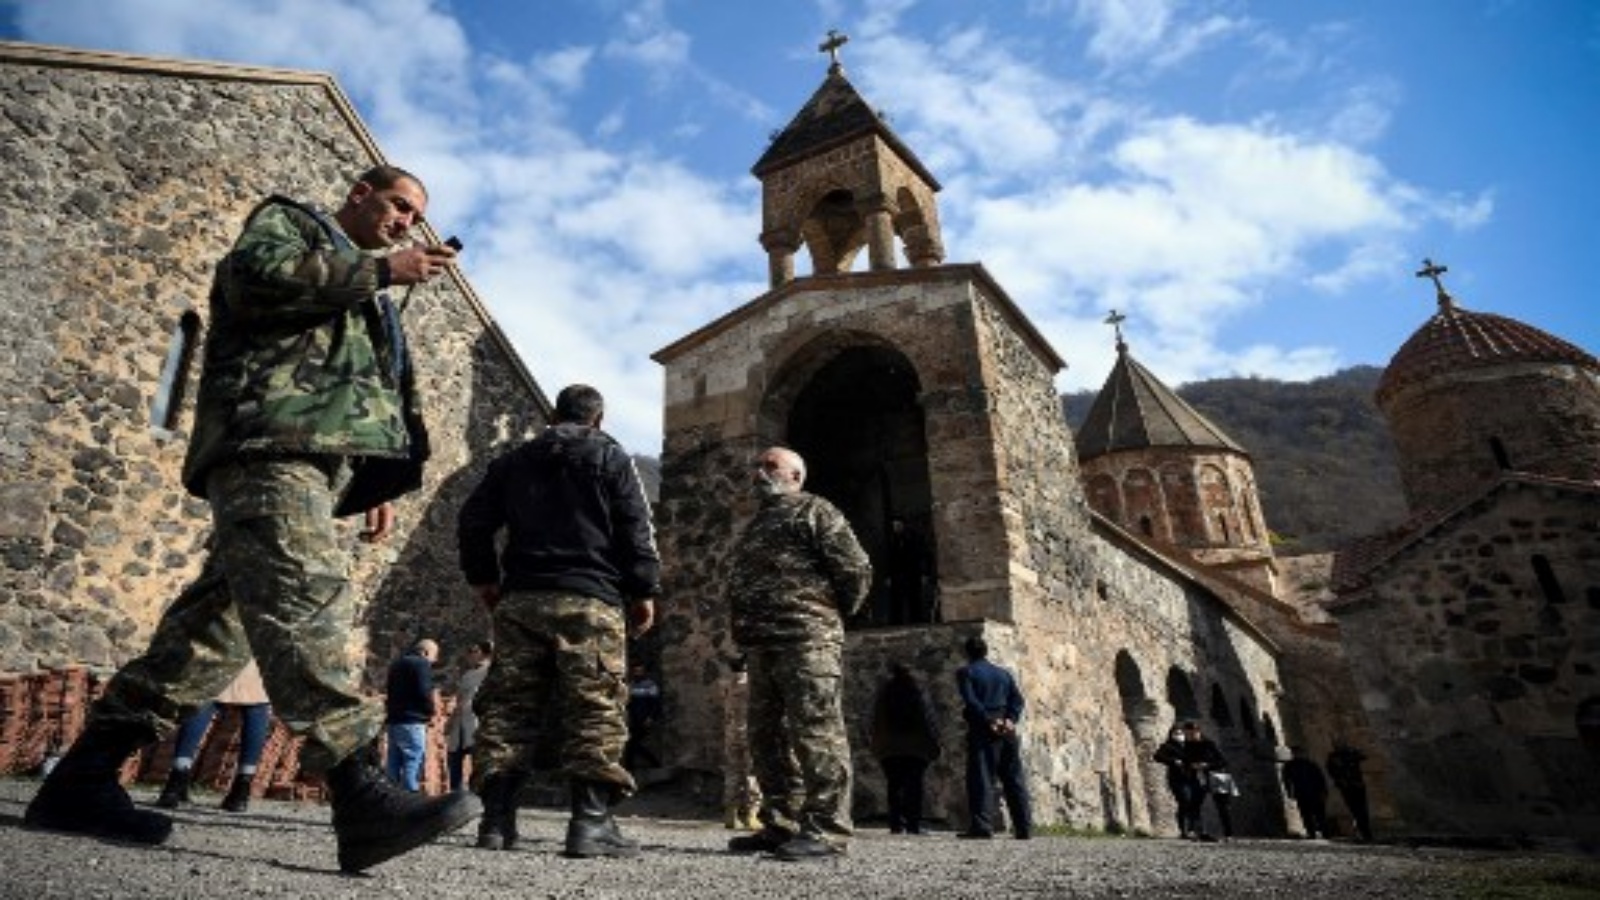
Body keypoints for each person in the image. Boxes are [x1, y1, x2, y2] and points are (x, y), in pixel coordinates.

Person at [23, 165, 478, 873]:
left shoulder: (368, 289)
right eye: (398, 206)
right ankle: (361, 796)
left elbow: (362, 389)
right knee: (307, 598)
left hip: (317, 459)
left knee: (207, 633)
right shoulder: (293, 227)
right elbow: (252, 278)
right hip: (269, 444)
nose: (404, 223)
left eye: (414, 218)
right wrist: (385, 271)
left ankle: (82, 778)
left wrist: (370, 472)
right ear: (359, 193)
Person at [457, 384, 660, 858]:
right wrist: (644, 588)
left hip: (521, 597)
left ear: (553, 415)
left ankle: (496, 822)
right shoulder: (611, 457)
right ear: (599, 419)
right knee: (595, 707)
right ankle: (589, 824)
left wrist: (484, 579)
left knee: (508, 708)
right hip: (590, 599)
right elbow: (636, 524)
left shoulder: (511, 462)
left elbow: (472, 522)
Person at [723, 446, 872, 862]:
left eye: (770, 466)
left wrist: (825, 615)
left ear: (796, 476)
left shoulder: (816, 511)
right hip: (761, 645)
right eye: (757, 465)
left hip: (806, 639)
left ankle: (827, 830)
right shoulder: (756, 525)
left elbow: (855, 569)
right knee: (765, 736)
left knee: (816, 732)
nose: (759, 472)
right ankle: (781, 823)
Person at [156, 659, 273, 812]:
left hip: (222, 648)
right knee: (257, 703)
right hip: (259, 649)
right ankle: (241, 791)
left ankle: (175, 785)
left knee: (204, 699)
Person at [956, 636, 1032, 840]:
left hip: (983, 729)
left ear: (967, 652)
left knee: (981, 778)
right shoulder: (1003, 674)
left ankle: (982, 826)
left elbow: (971, 701)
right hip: (1007, 730)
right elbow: (1017, 699)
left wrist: (990, 720)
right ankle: (1024, 827)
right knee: (1013, 778)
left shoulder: (966, 672)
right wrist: (1010, 719)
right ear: (986, 651)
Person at [869, 661, 941, 835]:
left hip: (889, 746)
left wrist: (875, 740)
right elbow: (928, 718)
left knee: (894, 786)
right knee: (914, 786)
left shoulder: (884, 693)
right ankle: (913, 823)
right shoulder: (917, 692)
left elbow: (874, 719)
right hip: (915, 746)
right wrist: (935, 739)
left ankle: (896, 823)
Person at [384, 639, 439, 792]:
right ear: (425, 652)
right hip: (412, 720)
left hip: (394, 720)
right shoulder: (421, 664)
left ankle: (389, 798)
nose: (434, 661)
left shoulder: (396, 665)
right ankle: (411, 797)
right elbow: (424, 691)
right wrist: (430, 711)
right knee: (413, 760)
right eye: (434, 656)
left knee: (393, 761)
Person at [719, 654, 764, 831]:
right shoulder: (749, 685)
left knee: (733, 772)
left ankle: (731, 813)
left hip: (731, 733)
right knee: (751, 773)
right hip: (749, 731)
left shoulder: (725, 685)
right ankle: (751, 815)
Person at [445, 641, 492, 792]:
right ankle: (456, 793)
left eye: (473, 651)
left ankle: (475, 794)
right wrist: (451, 721)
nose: (469, 655)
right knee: (454, 759)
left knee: (477, 761)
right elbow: (459, 700)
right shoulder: (468, 674)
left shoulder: (489, 673)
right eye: (469, 651)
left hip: (476, 723)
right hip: (460, 723)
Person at [1177, 720, 1227, 841]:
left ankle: (1226, 833)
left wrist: (1206, 765)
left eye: (1190, 733)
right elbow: (1183, 762)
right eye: (1186, 733)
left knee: (1220, 806)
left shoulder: (1209, 744)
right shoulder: (1185, 747)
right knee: (1194, 805)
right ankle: (1199, 832)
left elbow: (1222, 761)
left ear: (1197, 731)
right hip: (1194, 778)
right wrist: (1189, 766)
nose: (1188, 736)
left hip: (1212, 777)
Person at [1153, 725, 1198, 838]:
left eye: (1181, 733)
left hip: (1192, 778)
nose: (1179, 736)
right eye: (1176, 733)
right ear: (1171, 735)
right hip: (1177, 778)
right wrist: (1173, 761)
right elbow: (1157, 756)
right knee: (1184, 801)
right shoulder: (1167, 746)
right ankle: (1183, 830)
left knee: (1193, 803)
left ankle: (1192, 829)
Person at [1325, 740, 1373, 841]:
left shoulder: (1351, 753)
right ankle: (1363, 832)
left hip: (1357, 784)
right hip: (1346, 786)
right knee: (1355, 809)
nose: (1340, 746)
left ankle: (1366, 832)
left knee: (1362, 809)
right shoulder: (1333, 757)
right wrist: (1340, 781)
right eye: (1338, 744)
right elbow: (1331, 771)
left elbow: (1364, 757)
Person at [1281, 745, 1330, 839]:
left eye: (1298, 752)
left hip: (1314, 792)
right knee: (1306, 814)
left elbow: (1320, 778)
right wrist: (1289, 792)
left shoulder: (1310, 764)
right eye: (1295, 753)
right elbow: (1286, 780)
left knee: (1319, 814)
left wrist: (1323, 791)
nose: (1297, 754)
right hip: (1301, 793)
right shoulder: (1290, 766)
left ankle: (1325, 832)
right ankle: (1312, 833)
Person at [622, 663, 663, 772]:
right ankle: (630, 768)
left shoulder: (650, 685)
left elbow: (656, 704)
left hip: (644, 719)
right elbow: (628, 703)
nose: (638, 673)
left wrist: (651, 718)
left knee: (631, 743)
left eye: (640, 671)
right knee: (630, 743)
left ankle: (654, 763)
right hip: (633, 719)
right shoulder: (631, 685)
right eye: (636, 671)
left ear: (644, 672)